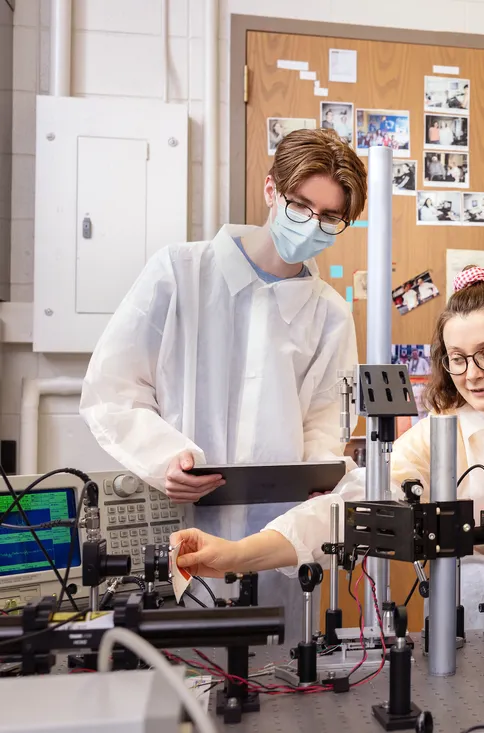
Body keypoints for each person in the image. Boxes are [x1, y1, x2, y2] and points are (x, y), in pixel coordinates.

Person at [170, 266, 484, 626]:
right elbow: (348, 510)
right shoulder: (443, 429)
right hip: (478, 626)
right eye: (457, 358)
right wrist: (236, 554)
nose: (472, 374)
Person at [80, 128, 366, 631]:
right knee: (185, 675)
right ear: (270, 190)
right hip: (184, 518)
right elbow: (114, 390)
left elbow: (325, 421)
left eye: (329, 218)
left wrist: (322, 478)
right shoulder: (181, 272)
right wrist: (165, 459)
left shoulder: (330, 314)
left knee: (278, 679)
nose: (311, 225)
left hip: (275, 542)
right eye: (301, 206)